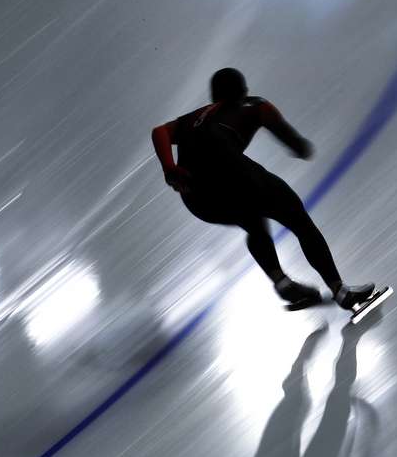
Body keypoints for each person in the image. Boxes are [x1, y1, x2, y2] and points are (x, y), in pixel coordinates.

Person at [151, 67, 373, 310]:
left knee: (253, 222)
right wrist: (300, 147)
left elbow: (159, 131)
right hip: (234, 174)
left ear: (214, 96)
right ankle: (339, 290)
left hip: (197, 198)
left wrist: (169, 168)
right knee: (298, 219)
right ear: (244, 91)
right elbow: (296, 145)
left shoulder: (194, 117)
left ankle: (281, 281)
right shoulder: (256, 105)